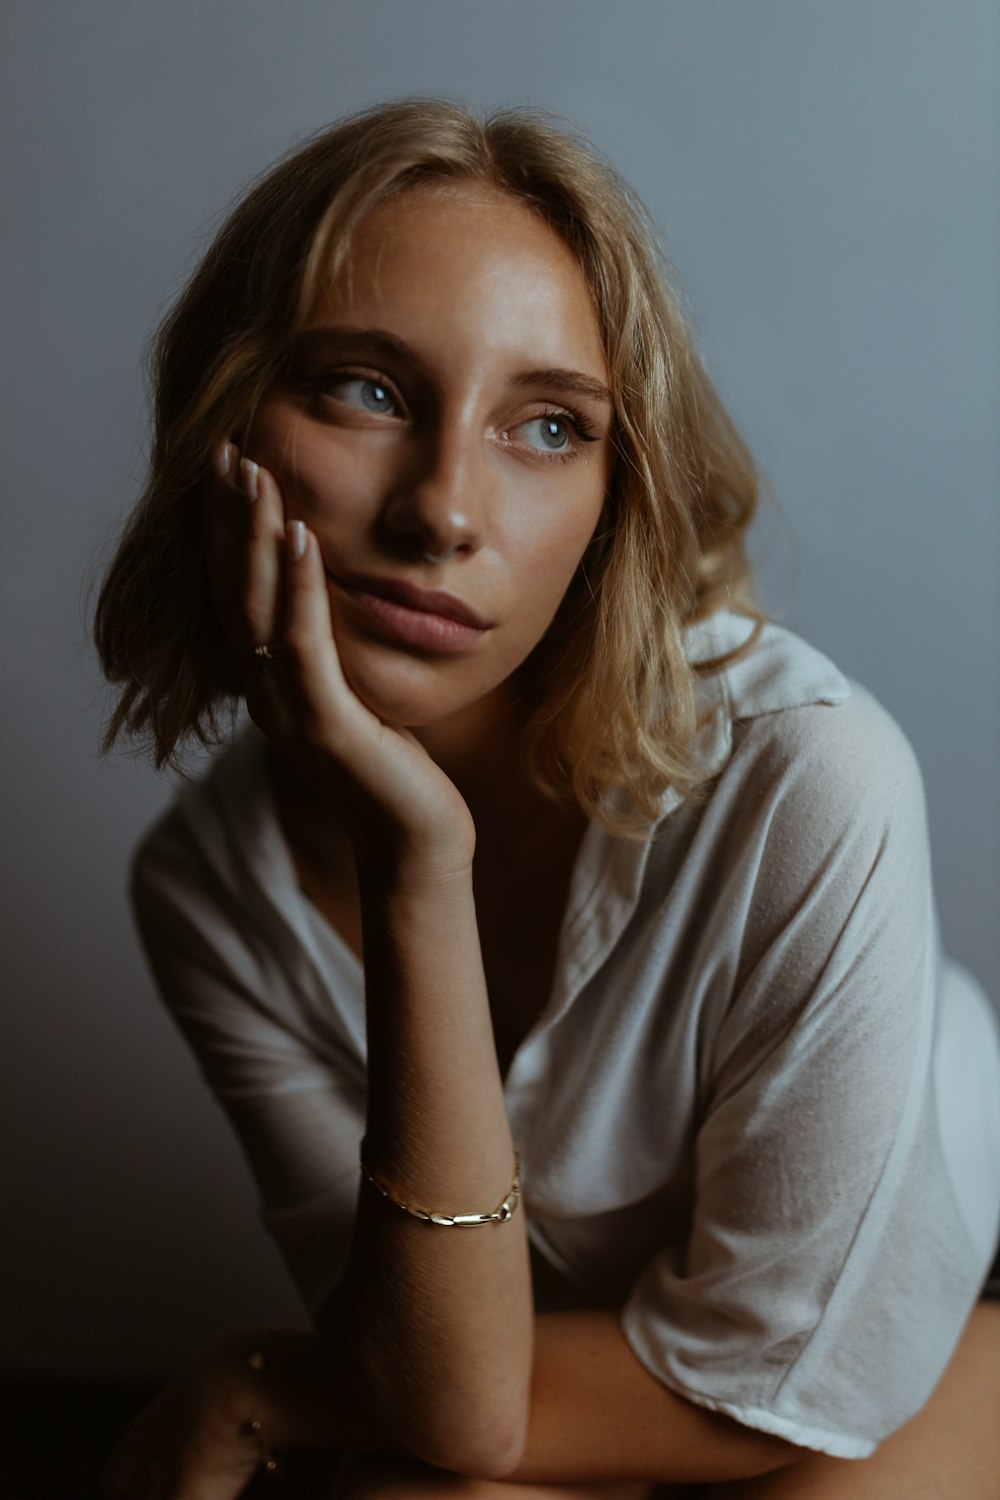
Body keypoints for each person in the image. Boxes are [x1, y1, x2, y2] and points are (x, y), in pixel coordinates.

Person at [94, 99, 1000, 1499]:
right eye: (369, 390)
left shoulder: (801, 778)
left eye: (549, 426)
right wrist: (418, 868)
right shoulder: (214, 889)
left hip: (901, 1347)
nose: (445, 511)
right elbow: (444, 1390)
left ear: (615, 500)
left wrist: (257, 1386)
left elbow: (793, 1380)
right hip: (573, 1370)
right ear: (227, 425)